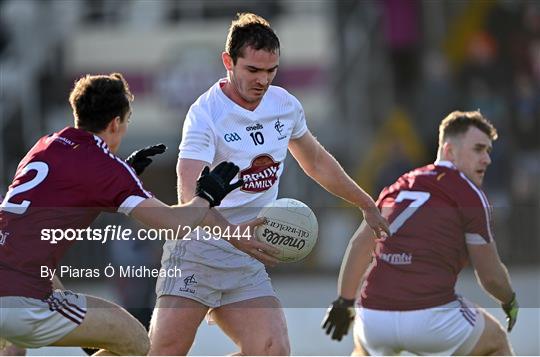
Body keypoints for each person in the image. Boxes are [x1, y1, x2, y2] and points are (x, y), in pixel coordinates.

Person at [148, 12, 390, 356]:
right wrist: (234, 234)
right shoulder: (205, 114)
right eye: (253, 70)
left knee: (272, 350)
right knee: (165, 352)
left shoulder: (284, 105)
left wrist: (366, 202)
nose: (263, 80)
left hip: (247, 259)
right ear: (228, 62)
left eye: (271, 71)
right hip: (197, 253)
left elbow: (317, 162)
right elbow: (189, 194)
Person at [0, 73, 257, 355]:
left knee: (14, 346)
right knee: (135, 340)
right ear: (116, 122)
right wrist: (206, 196)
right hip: (20, 299)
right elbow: (175, 225)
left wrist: (123, 178)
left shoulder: (43, 146)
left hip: (14, 284)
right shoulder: (105, 166)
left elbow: (42, 224)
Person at [322, 111, 519, 355]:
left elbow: (359, 246)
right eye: (478, 149)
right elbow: (490, 278)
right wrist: (509, 301)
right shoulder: (469, 193)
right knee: (495, 340)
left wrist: (344, 302)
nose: (487, 159)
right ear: (449, 151)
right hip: (431, 318)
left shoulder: (399, 184)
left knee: (363, 348)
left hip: (374, 317)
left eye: (488, 151)